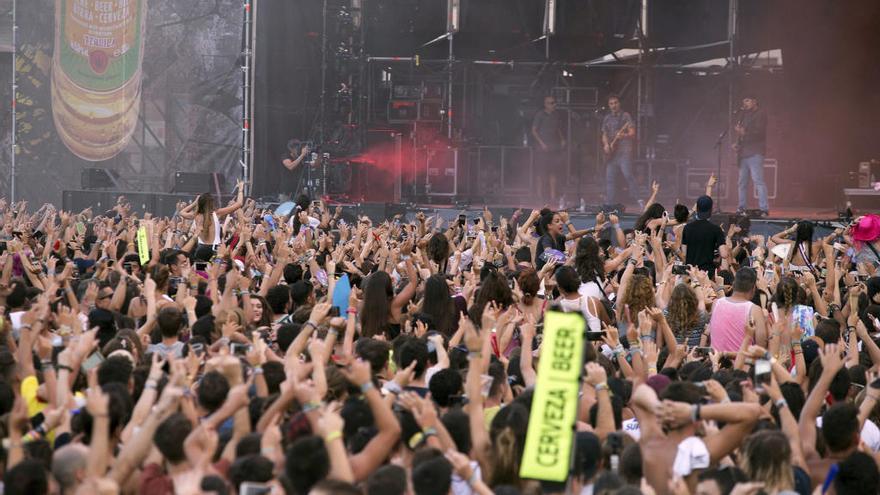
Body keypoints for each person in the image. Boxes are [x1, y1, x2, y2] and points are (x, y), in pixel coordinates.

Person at [733, 95, 769, 217]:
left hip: (755, 152)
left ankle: (764, 209)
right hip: (743, 153)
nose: (745, 103)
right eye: (744, 101)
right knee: (742, 182)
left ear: (755, 101)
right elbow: (742, 135)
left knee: (758, 180)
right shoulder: (743, 115)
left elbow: (759, 133)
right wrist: (737, 144)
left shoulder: (761, 114)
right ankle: (741, 208)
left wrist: (744, 132)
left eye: (747, 100)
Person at [602, 94, 637, 208]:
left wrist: (624, 135)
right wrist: (606, 144)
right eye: (611, 103)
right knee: (610, 178)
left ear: (619, 103)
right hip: (612, 153)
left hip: (624, 152)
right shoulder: (607, 118)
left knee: (628, 175)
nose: (614, 105)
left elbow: (632, 133)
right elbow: (604, 134)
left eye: (615, 103)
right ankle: (610, 204)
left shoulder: (625, 116)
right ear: (609, 105)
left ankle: (638, 200)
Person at [531, 95, 566, 203]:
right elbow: (534, 130)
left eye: (554, 102)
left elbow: (558, 129)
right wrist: (542, 143)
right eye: (551, 103)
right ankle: (539, 196)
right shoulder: (540, 115)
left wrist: (562, 139)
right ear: (546, 104)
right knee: (541, 173)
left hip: (554, 147)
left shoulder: (556, 115)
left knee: (553, 172)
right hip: (541, 149)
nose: (554, 105)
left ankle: (553, 197)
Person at [682, 195, 725, 278]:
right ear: (711, 210)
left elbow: (684, 253)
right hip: (707, 274)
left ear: (697, 209)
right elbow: (724, 254)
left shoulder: (687, 228)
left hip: (690, 273)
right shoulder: (716, 229)